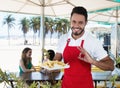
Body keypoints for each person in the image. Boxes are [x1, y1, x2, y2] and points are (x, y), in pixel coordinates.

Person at [53, 6, 114, 88]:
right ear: (70, 20)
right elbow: (57, 59)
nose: (76, 26)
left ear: (86, 23)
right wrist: (48, 65)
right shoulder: (63, 38)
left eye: (80, 23)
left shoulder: (92, 41)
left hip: (85, 85)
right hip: (66, 85)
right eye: (73, 22)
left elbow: (111, 66)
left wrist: (93, 61)